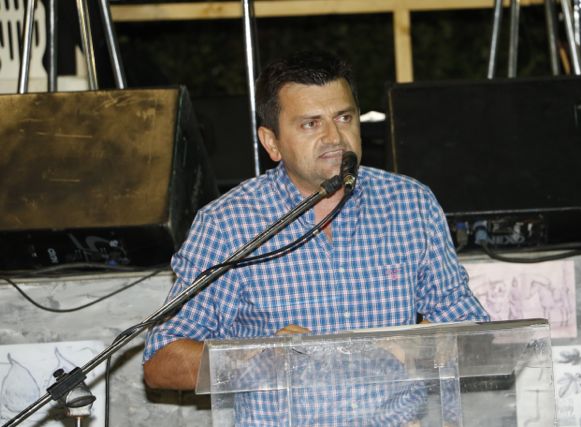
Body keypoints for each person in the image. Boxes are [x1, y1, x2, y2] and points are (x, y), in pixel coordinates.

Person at [143, 50, 489, 424]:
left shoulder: (409, 204)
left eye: (344, 117)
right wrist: (257, 357)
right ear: (271, 142)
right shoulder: (228, 224)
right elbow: (161, 362)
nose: (334, 137)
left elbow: (472, 331)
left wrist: (422, 345)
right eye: (310, 124)